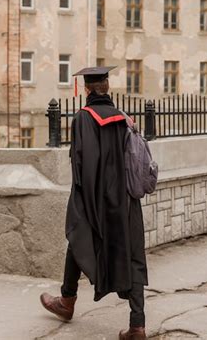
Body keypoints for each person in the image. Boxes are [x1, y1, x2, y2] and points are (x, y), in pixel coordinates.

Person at [40, 66, 148, 340]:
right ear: (107, 87)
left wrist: (84, 205)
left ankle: (67, 301)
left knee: (78, 237)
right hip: (125, 200)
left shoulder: (84, 119)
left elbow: (83, 166)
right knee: (132, 254)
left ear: (87, 90)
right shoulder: (125, 118)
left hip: (96, 197)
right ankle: (137, 325)